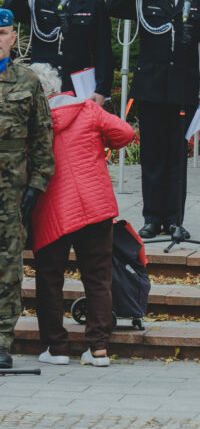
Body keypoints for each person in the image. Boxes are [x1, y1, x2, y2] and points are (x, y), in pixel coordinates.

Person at [106, 0, 200, 239]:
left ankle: (175, 220)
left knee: (176, 158)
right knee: (153, 156)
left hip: (183, 88)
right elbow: (112, 5)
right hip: (151, 89)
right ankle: (152, 218)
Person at [26, 63, 135, 367]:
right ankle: (98, 348)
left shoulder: (31, 122)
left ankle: (56, 349)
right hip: (96, 206)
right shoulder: (87, 109)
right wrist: (102, 144)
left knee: (49, 279)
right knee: (98, 278)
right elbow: (126, 132)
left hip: (52, 210)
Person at [0, 9, 55, 370]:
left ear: (13, 36)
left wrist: (36, 185)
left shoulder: (28, 81)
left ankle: (2, 340)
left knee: (7, 267)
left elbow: (42, 138)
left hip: (11, 193)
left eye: (2, 33)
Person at [2, 0, 113, 104]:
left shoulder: (92, 1)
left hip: (78, 85)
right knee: (42, 129)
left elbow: (103, 48)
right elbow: (8, 12)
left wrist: (101, 89)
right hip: (43, 82)